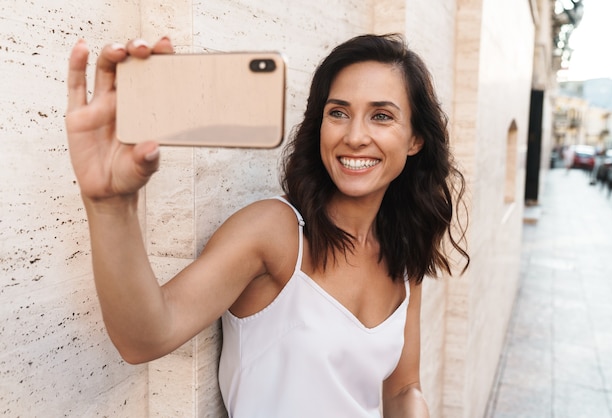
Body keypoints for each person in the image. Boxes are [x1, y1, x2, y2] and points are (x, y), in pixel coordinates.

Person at [66, 33, 469, 417]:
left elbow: (402, 388)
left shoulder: (402, 254)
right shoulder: (275, 232)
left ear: (416, 139)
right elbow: (144, 337)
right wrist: (109, 205)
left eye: (381, 116)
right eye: (338, 113)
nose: (355, 136)